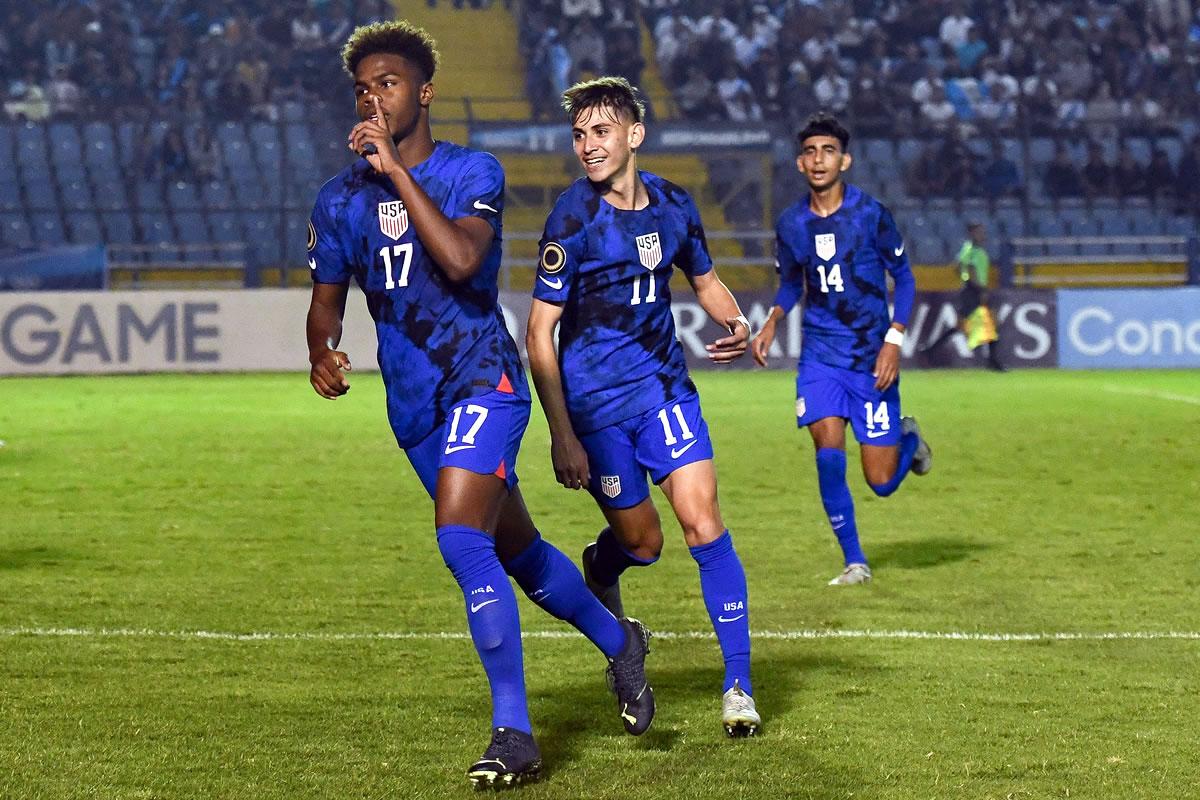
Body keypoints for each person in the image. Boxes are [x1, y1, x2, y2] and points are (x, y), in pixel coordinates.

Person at [303, 22, 653, 788]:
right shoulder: (338, 200)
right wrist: (321, 350)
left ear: (424, 92)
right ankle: (621, 643)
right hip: (415, 408)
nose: (372, 98)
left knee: (463, 542)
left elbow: (463, 261)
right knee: (519, 554)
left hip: (482, 381)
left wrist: (396, 172)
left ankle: (515, 733)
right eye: (362, 89)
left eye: (388, 83)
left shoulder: (472, 171)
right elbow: (325, 301)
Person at [525, 76, 761, 737]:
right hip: (596, 411)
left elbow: (706, 280)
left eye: (601, 131)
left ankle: (738, 686)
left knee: (704, 525)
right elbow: (539, 333)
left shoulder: (675, 204)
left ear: (635, 134)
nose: (588, 146)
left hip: (664, 390)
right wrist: (562, 435)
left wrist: (737, 320)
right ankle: (602, 565)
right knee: (643, 543)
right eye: (579, 135)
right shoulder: (572, 218)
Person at [751, 113, 932, 587]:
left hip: (871, 358)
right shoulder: (791, 223)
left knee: (881, 482)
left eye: (828, 151)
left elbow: (905, 279)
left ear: (844, 161)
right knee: (827, 450)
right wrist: (773, 319)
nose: (818, 160)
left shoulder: (870, 214)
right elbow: (791, 282)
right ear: (799, 162)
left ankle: (909, 440)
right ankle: (855, 563)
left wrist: (893, 340)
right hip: (821, 357)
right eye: (810, 152)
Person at [921, 221, 1006, 371]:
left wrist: (969, 280)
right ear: (972, 233)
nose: (983, 235)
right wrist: (974, 285)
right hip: (974, 291)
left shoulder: (975, 250)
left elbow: (959, 266)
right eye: (979, 232)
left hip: (975, 290)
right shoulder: (971, 250)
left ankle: (930, 350)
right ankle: (930, 350)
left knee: (983, 324)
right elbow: (965, 268)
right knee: (973, 324)